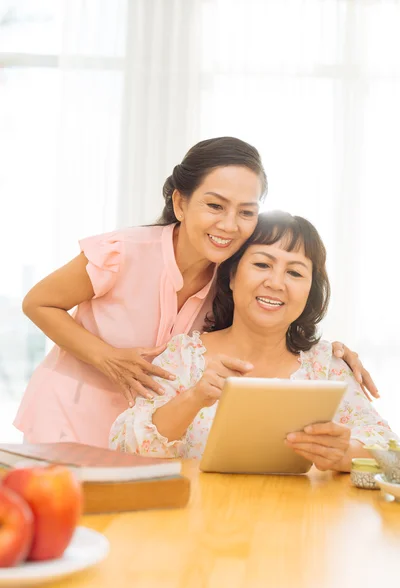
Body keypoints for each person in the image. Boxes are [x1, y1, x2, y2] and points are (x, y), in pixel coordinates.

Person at [15, 138, 374, 448]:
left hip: (147, 432)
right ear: (181, 203)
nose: (229, 225)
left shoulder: (231, 276)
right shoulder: (122, 252)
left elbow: (269, 325)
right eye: (215, 206)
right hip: (70, 415)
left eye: (246, 212)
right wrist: (107, 357)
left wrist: (333, 355)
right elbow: (38, 302)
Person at [109, 211, 396, 472]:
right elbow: (125, 446)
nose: (276, 282)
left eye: (294, 272)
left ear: (310, 290)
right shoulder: (184, 357)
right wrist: (194, 398)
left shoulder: (327, 365)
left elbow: (389, 452)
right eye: (262, 264)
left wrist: (345, 453)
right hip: (195, 522)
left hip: (299, 524)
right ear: (232, 276)